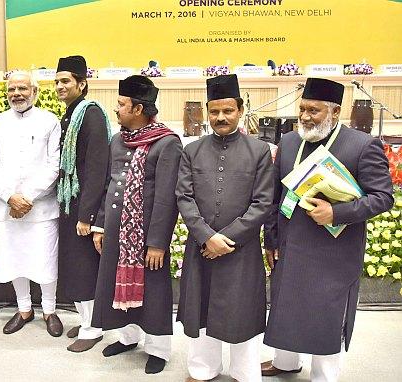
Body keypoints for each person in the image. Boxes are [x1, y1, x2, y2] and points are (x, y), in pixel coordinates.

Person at [262, 78, 394, 381]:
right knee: (285, 304)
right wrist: (271, 239)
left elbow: (383, 197)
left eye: (315, 111)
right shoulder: (291, 142)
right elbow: (273, 196)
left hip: (334, 250)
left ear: (334, 112)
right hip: (291, 244)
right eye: (303, 109)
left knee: (325, 313)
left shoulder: (362, 145)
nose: (306, 117)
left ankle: (324, 375)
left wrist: (337, 212)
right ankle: (285, 362)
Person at [176, 74, 274, 382]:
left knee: (242, 313)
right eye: (214, 111)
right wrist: (207, 237)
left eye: (227, 110)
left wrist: (225, 239)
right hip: (201, 248)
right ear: (207, 111)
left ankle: (245, 373)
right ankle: (203, 370)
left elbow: (262, 203)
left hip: (240, 250)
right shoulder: (191, 150)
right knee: (201, 310)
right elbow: (184, 197)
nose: (220, 117)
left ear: (240, 110)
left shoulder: (258, 151)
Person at [91, 75, 182, 374]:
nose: (116, 109)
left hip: (146, 237)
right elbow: (110, 184)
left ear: (138, 108)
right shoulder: (118, 139)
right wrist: (101, 225)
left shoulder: (166, 143)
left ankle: (158, 349)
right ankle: (128, 338)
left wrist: (157, 243)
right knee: (114, 283)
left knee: (153, 292)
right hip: (118, 233)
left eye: (121, 104)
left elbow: (168, 198)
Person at [0, 71, 63, 337]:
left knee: (45, 259)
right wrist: (10, 196)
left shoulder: (49, 121)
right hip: (7, 206)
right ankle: (24, 308)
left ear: (35, 92)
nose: (17, 93)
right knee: (15, 259)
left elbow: (54, 165)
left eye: (22, 88)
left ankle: (49, 310)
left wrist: (27, 196)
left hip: (41, 207)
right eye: (12, 89)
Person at [54, 55, 111, 352]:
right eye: (57, 82)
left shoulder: (90, 115)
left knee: (85, 268)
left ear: (82, 84)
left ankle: (94, 327)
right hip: (70, 204)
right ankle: (85, 318)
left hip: (83, 209)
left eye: (66, 81)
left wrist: (87, 215)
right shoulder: (71, 114)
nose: (60, 86)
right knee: (75, 267)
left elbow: (97, 169)